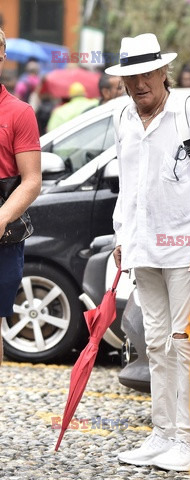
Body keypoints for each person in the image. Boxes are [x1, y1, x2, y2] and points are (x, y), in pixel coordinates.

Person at [105, 33, 190, 471]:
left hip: (185, 251)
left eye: (145, 74)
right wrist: (123, 236)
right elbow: (128, 188)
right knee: (154, 343)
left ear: (163, 73)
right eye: (129, 77)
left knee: (184, 345)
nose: (138, 84)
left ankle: (187, 440)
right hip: (144, 248)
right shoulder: (124, 118)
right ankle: (161, 434)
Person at [0, 28, 42, 365]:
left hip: (3, 229)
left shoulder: (19, 112)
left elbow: (31, 180)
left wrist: (1, 217)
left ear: (2, 55)